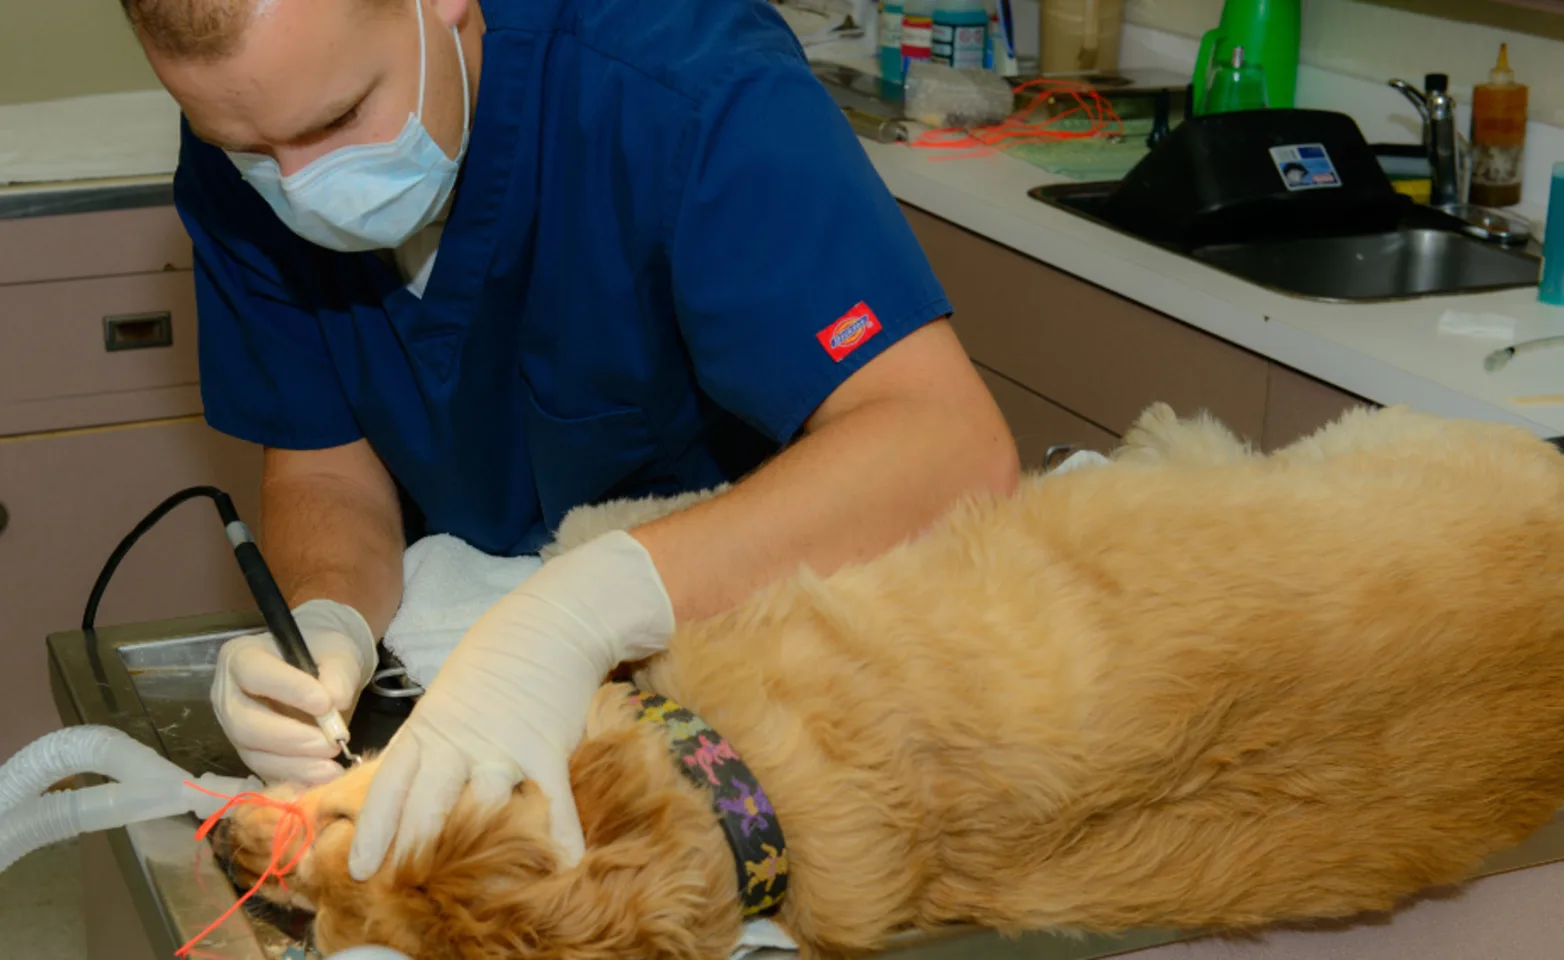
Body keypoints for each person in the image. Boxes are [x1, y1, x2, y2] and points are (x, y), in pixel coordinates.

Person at [123, 0, 1019, 882]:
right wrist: (327, 620)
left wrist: (582, 611)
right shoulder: (253, 118)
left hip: (772, 697)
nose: (307, 185)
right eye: (252, 154)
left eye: (340, 118)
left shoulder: (680, 81)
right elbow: (325, 461)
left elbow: (946, 445)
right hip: (484, 673)